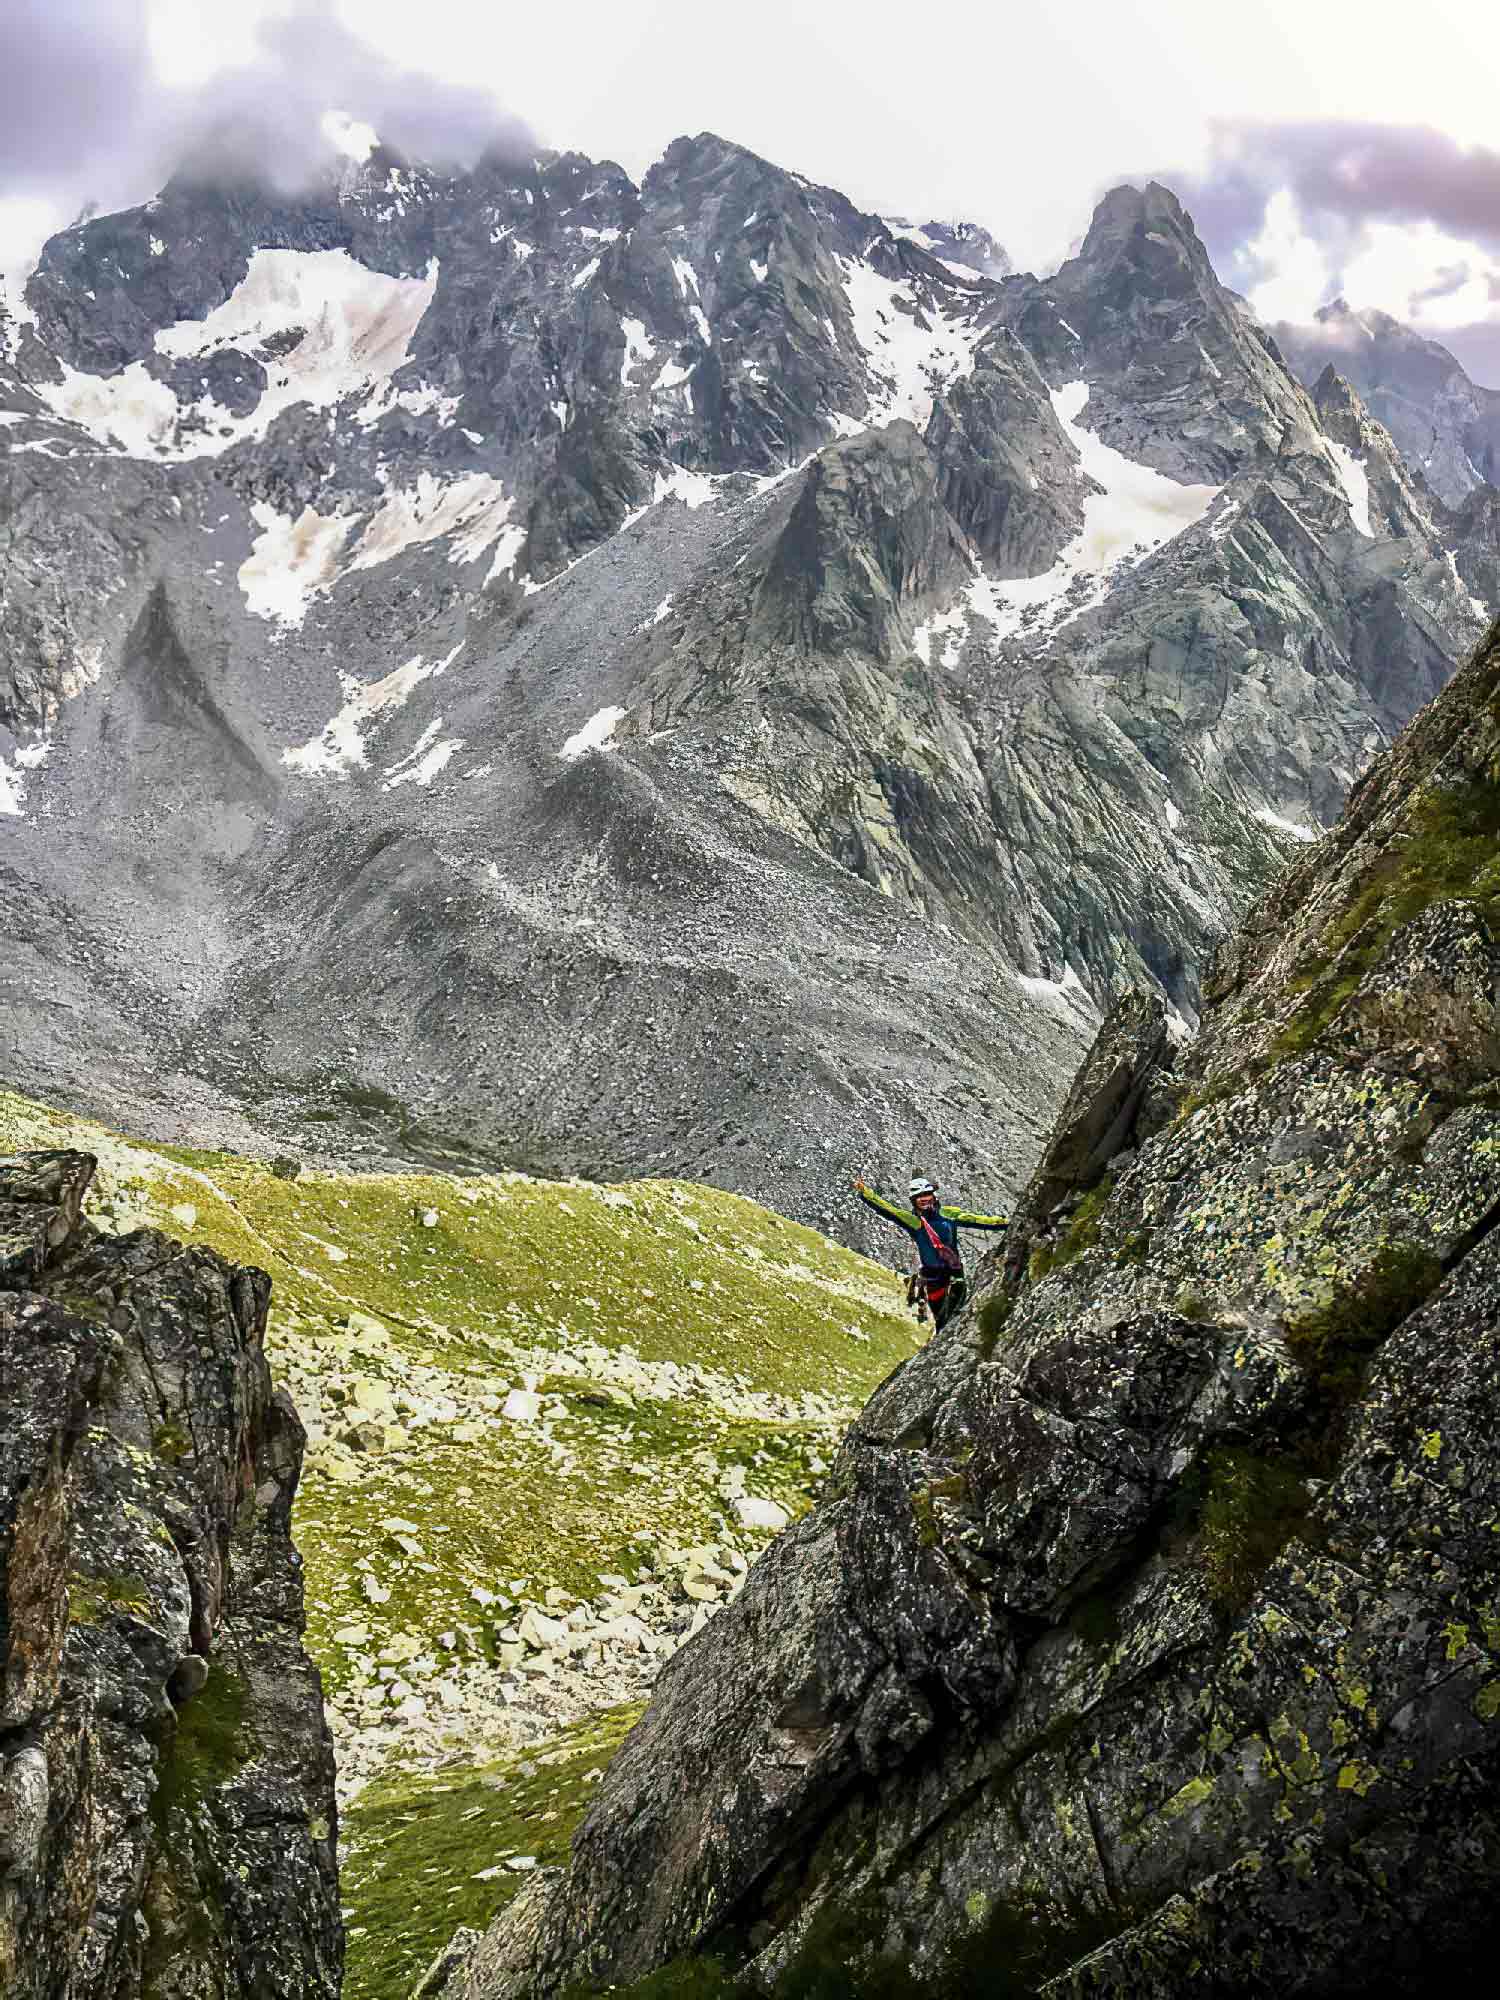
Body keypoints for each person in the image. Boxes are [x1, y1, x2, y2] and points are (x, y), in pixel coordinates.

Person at [853, 1173, 1007, 1331]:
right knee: (942, 1322)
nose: (924, 1198)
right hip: (934, 1280)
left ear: (933, 1195)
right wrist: (866, 1193)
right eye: (919, 1196)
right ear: (914, 1201)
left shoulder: (948, 1214)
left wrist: (1005, 1223)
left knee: (954, 1315)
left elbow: (976, 1220)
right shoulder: (914, 1222)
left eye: (926, 1194)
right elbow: (890, 1211)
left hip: (954, 1275)